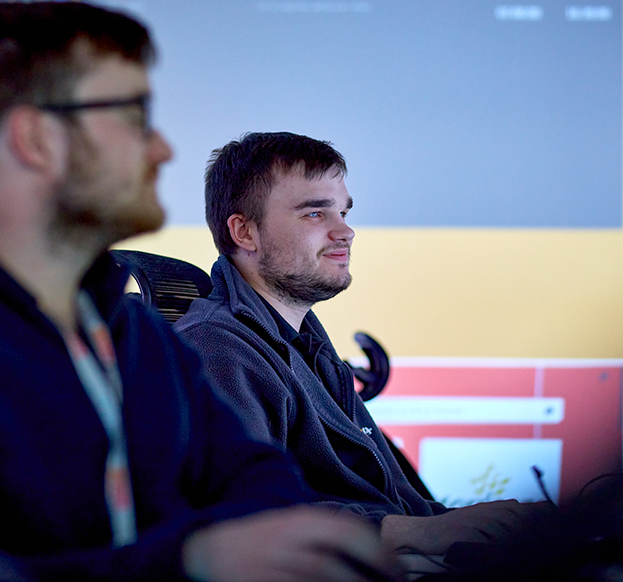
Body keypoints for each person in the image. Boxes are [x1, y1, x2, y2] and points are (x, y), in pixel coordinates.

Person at [0, 4, 401, 582]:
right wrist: (192, 561)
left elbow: (254, 478)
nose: (162, 149)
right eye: (135, 117)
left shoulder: (134, 334)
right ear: (37, 138)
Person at [174, 132, 529, 556]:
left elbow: (396, 502)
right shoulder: (215, 349)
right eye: (314, 214)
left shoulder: (309, 348)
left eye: (343, 212)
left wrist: (481, 530)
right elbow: (245, 519)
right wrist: (414, 534)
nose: (346, 231)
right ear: (244, 232)